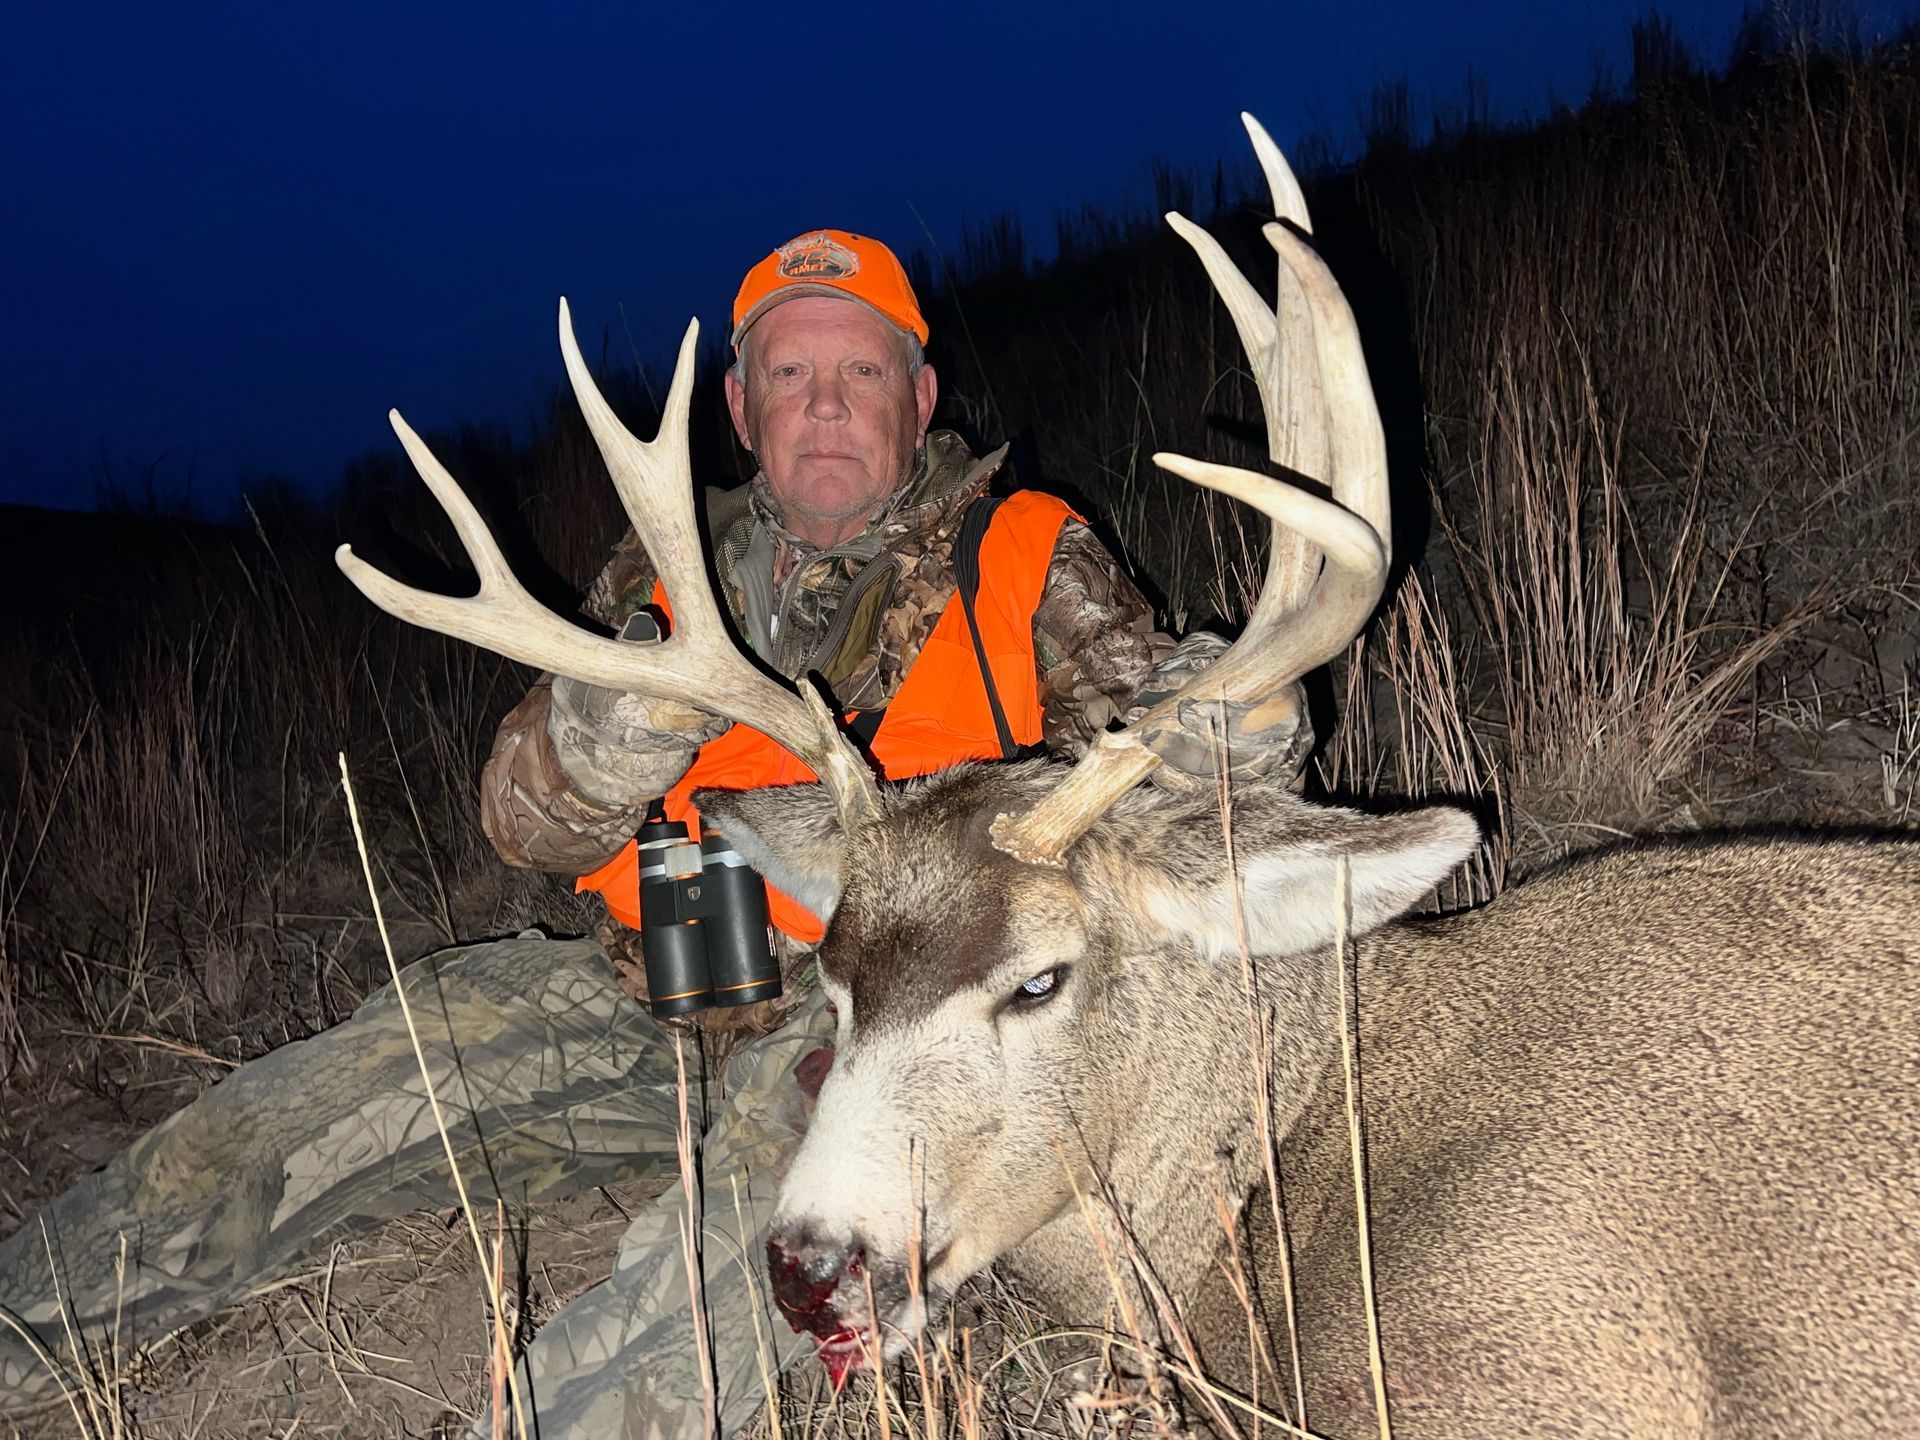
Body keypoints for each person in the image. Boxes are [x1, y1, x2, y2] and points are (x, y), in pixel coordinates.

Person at [0, 229, 1310, 1437]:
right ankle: (27, 1325)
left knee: (704, 1298)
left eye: (863, 370)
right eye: (788, 373)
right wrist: (598, 742)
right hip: (645, 993)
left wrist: (1233, 731)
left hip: (879, 1030)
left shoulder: (1028, 553)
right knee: (317, 1103)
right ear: (740, 407)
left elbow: (1171, 774)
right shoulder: (667, 568)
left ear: (921, 399)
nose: (826, 402)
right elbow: (521, 829)